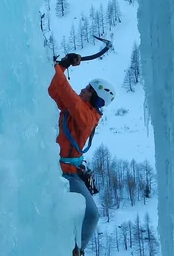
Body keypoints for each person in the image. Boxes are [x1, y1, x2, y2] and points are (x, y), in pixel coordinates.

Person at [49, 53, 116, 256]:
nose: (82, 90)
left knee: (92, 215)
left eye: (87, 90)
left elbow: (65, 91)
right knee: (88, 214)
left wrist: (63, 65)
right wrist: (60, 66)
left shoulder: (86, 117)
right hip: (65, 170)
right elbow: (55, 89)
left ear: (95, 98)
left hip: (67, 173)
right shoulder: (77, 110)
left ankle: (76, 251)